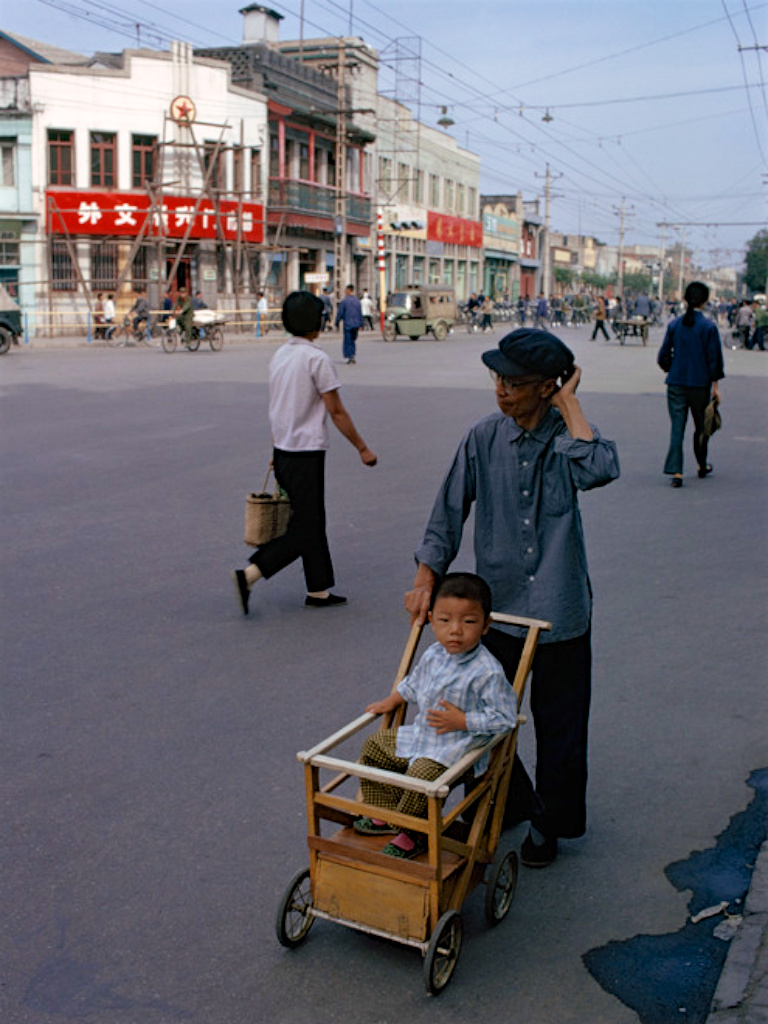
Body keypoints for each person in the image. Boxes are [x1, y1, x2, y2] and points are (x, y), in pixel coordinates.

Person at [405, 328, 620, 868]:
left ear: (548, 387)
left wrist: (570, 403)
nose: (501, 391)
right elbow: (447, 512)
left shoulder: (569, 441)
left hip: (559, 610)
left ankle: (551, 822)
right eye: (497, 379)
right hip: (494, 613)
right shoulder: (482, 438)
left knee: (560, 727)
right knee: (473, 715)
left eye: (516, 383)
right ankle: (510, 800)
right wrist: (427, 579)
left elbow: (601, 468)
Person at [231, 291, 377, 614]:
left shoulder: (280, 355)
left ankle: (318, 590)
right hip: (306, 455)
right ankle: (251, 574)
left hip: (284, 451)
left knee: (312, 519)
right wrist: (362, 447)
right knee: (306, 526)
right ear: (317, 322)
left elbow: (278, 407)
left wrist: (275, 448)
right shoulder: (317, 359)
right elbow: (336, 411)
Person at [354, 573, 517, 858]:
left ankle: (413, 833)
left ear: (486, 625)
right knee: (374, 747)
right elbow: (414, 684)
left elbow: (505, 718)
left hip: (458, 751)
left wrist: (464, 721)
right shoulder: (434, 654)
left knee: (421, 777)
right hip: (422, 738)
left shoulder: (487, 671)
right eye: (445, 620)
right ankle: (390, 815)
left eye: (468, 622)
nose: (455, 630)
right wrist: (391, 700)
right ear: (431, 619)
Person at [657, 280, 724, 487]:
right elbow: (714, 361)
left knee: (677, 428)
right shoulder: (708, 327)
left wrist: (674, 368)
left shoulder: (675, 325)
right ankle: (702, 464)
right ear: (704, 301)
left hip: (676, 384)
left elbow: (663, 357)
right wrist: (716, 388)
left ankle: (676, 471)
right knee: (701, 427)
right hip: (699, 385)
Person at [335, 284, 364, 364]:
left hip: (348, 324)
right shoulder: (357, 301)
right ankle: (353, 355)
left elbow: (340, 313)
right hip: (356, 324)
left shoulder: (344, 301)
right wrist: (361, 324)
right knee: (353, 340)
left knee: (348, 340)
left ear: (348, 290)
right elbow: (360, 313)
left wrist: (336, 322)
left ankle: (350, 356)